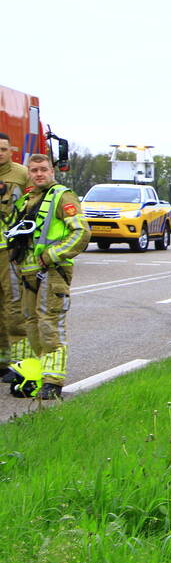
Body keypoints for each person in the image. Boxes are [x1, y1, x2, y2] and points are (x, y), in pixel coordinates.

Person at [10, 154, 90, 399]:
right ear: (29, 174)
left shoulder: (63, 197)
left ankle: (53, 382)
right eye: (34, 170)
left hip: (52, 272)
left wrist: (52, 255)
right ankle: (36, 376)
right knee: (31, 325)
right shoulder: (26, 200)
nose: (39, 174)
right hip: (27, 275)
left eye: (43, 169)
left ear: (52, 171)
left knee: (50, 326)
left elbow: (81, 232)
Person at [0, 133, 30, 376]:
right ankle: (2, 360)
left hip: (8, 250)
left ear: (11, 151)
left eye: (3, 149)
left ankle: (18, 363)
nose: (0, 153)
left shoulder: (22, 174)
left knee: (13, 305)